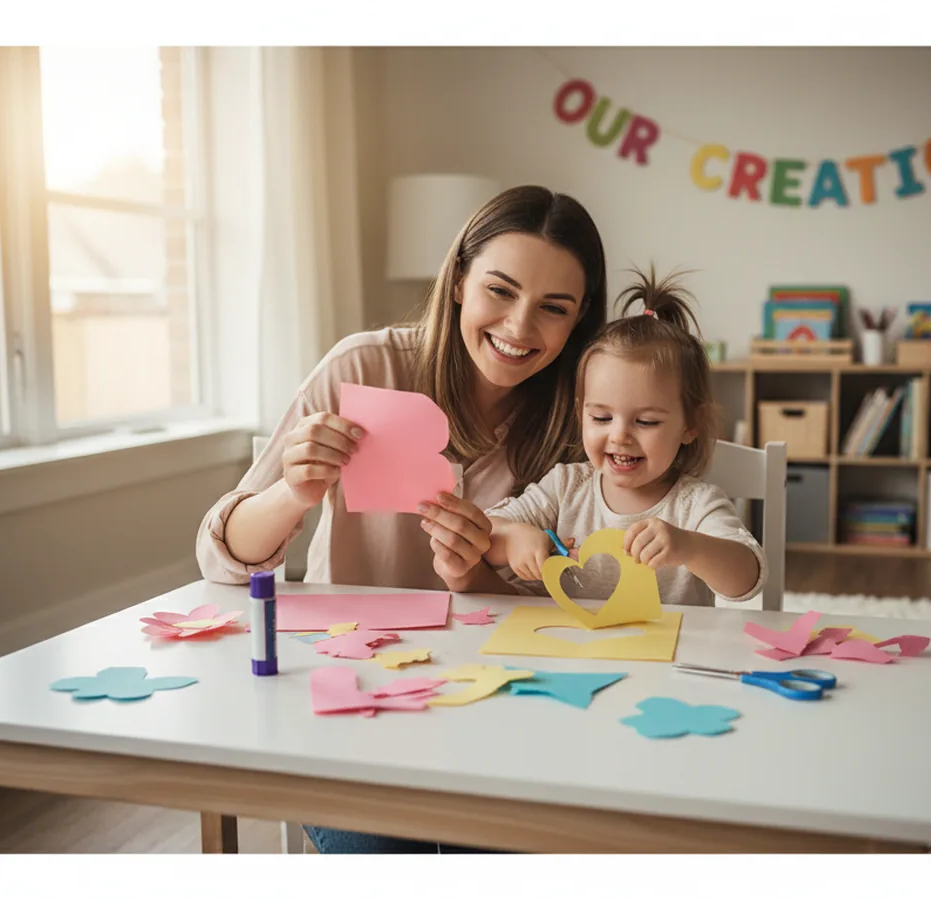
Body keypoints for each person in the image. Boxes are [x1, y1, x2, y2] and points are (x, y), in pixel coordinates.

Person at [194, 185, 607, 853]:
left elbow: (572, 607)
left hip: (507, 708)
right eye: (500, 291)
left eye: (553, 309)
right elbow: (221, 560)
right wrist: (293, 493)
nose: (520, 328)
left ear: (579, 319)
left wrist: (478, 573)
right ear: (458, 281)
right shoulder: (366, 368)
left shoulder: (580, 417)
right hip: (355, 708)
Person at [483, 266, 765, 606]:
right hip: (571, 651)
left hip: (667, 655)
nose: (619, 436)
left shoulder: (695, 504)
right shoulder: (565, 487)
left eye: (645, 422)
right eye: (601, 417)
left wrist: (689, 546)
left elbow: (747, 578)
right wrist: (515, 536)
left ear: (691, 424)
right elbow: (485, 535)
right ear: (580, 414)